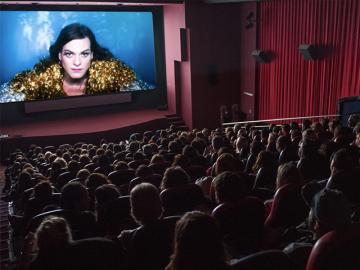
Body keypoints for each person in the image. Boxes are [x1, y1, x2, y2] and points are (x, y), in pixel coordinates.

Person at [3, 23, 151, 102]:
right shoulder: (40, 78)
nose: (77, 62)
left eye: (84, 54)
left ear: (92, 55)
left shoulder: (110, 74)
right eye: (69, 54)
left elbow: (145, 92)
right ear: (60, 56)